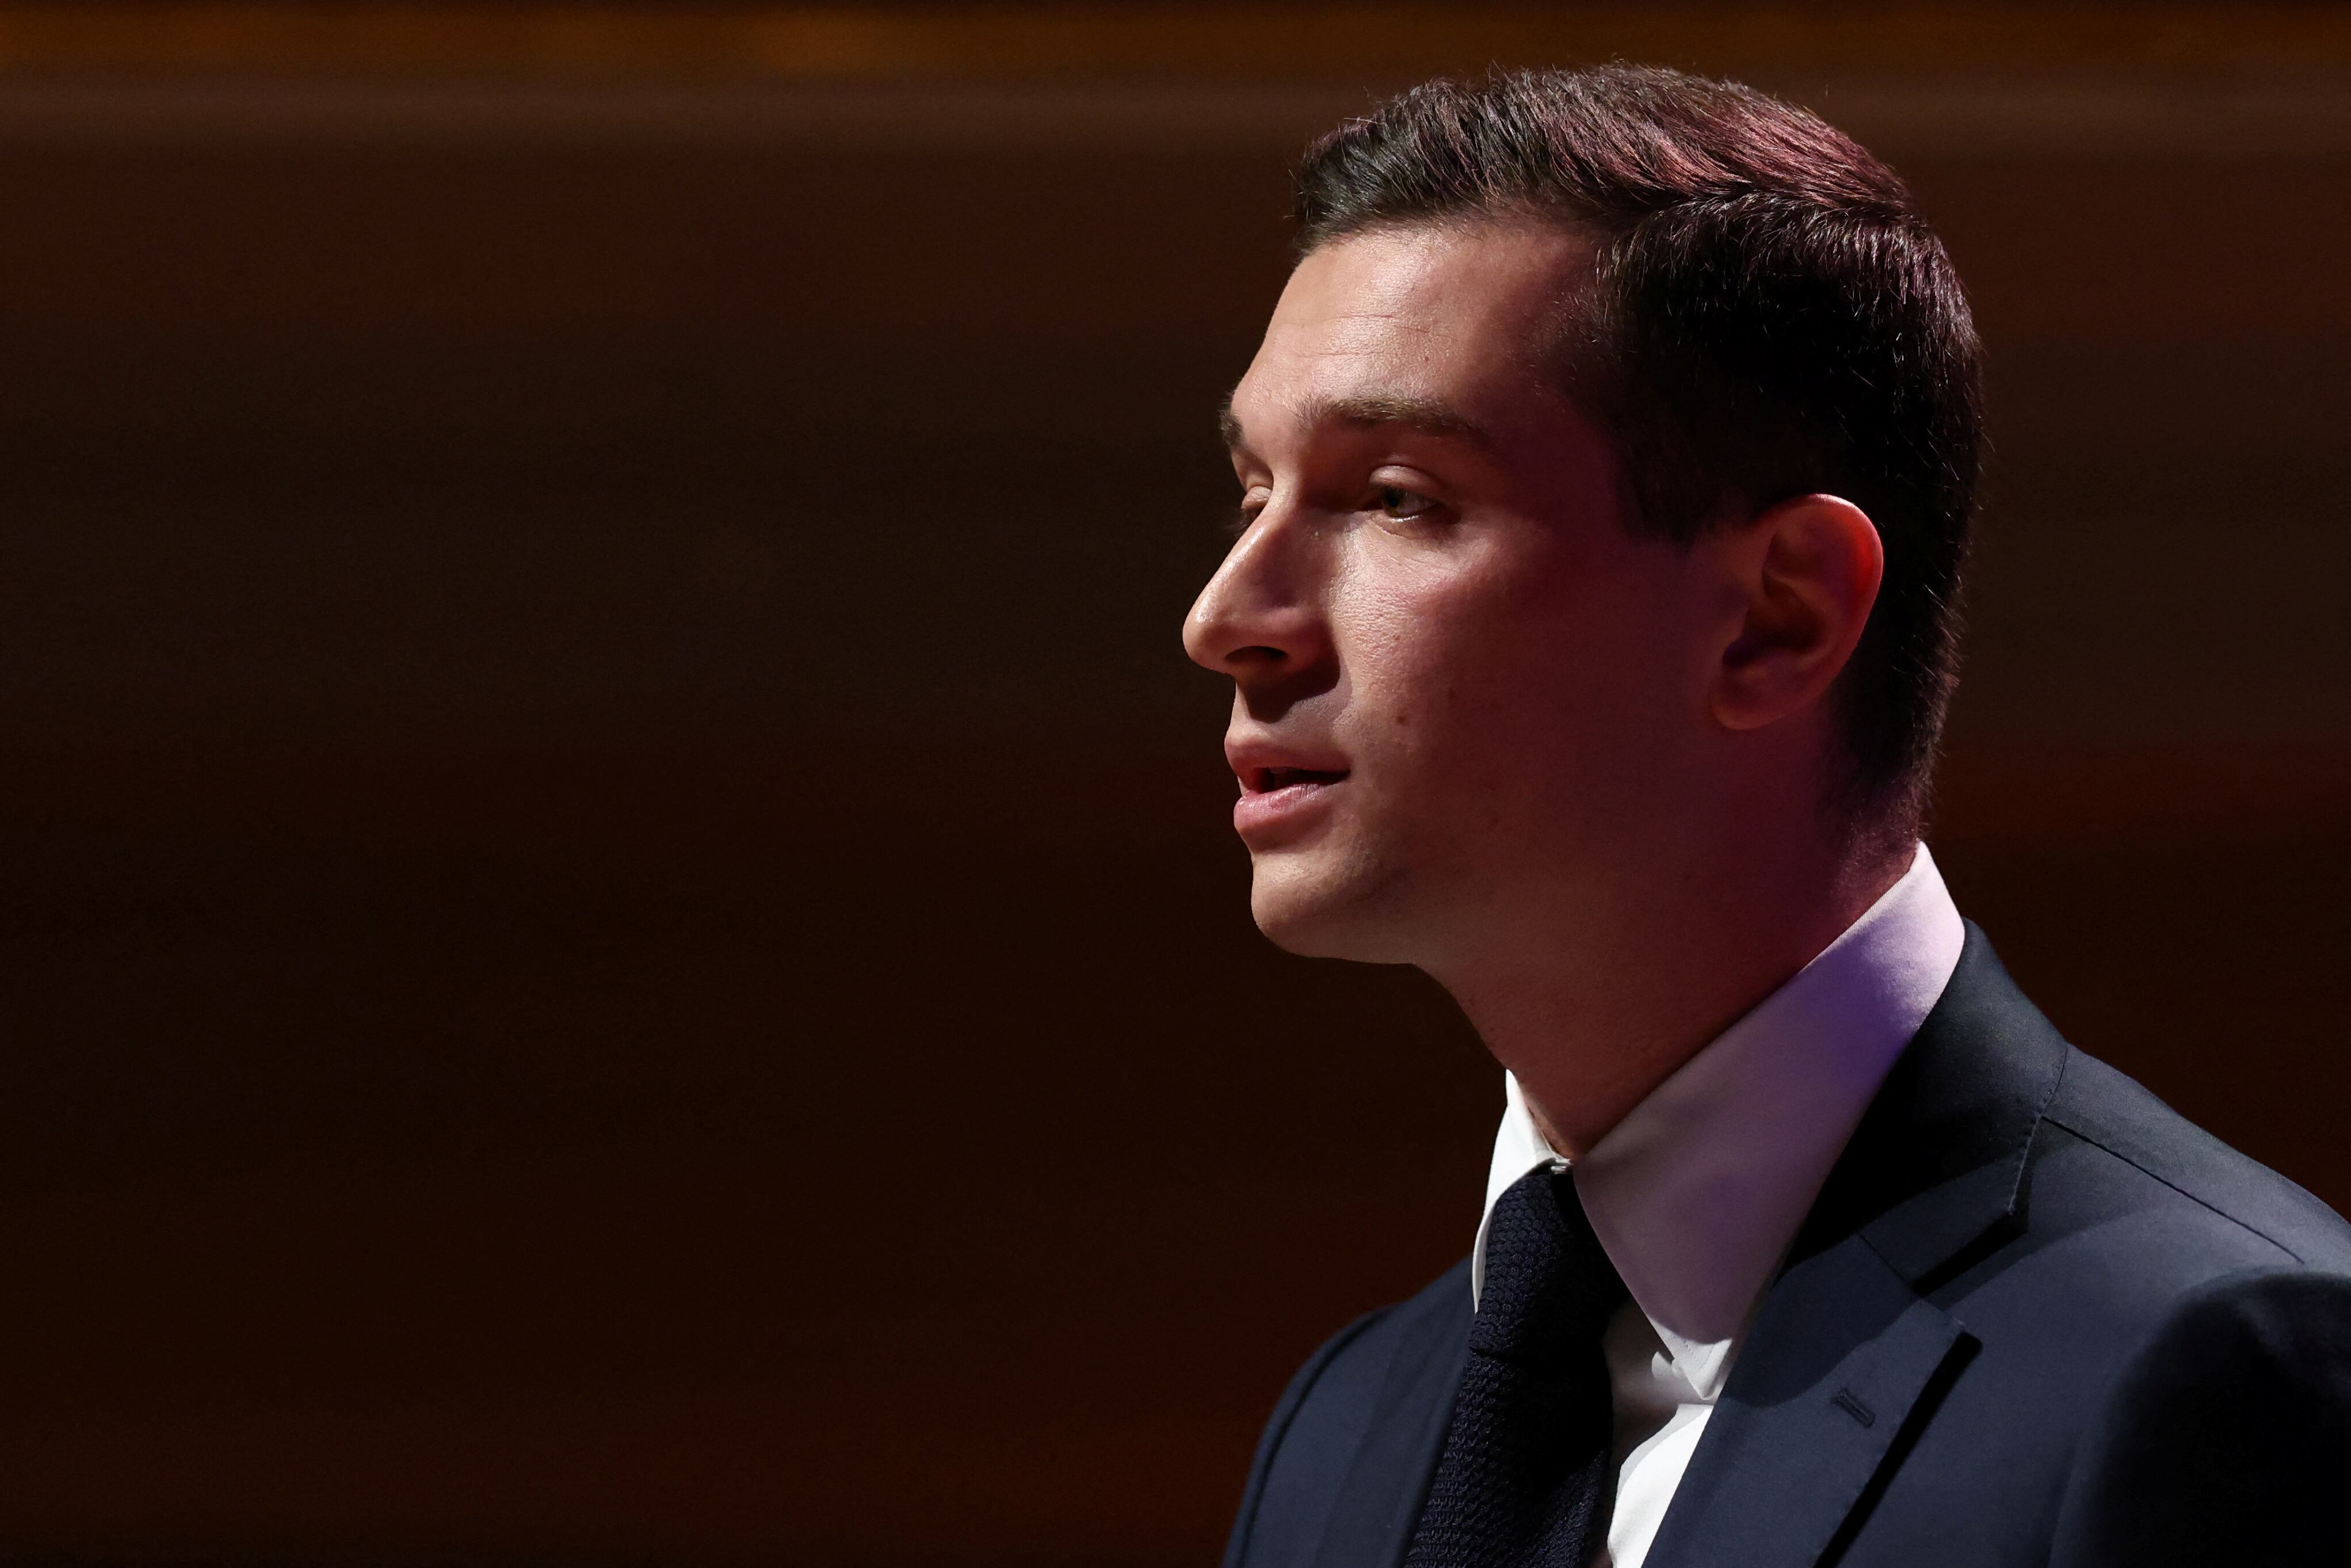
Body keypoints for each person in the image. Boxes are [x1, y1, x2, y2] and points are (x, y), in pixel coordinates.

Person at [1182, 66, 2351, 1568]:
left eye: (1399, 498)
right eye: (1252, 491)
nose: (1232, 617)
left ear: (1777, 620)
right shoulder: (1346, 1429)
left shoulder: (2219, 1374)